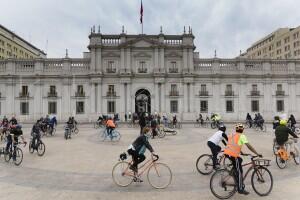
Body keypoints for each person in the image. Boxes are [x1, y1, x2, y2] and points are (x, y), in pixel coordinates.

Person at [224, 123, 262, 195]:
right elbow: (249, 146)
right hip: (233, 155)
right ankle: (240, 188)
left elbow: (233, 144)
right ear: (242, 130)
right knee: (240, 172)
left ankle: (236, 177)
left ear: (236, 129)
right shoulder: (242, 136)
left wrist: (241, 152)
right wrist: (257, 153)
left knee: (240, 161)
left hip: (227, 153)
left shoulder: (232, 134)